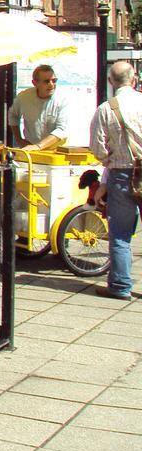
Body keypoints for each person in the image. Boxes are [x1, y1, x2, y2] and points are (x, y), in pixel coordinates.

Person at [89, 60, 142, 300]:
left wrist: (110, 160)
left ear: (111, 82)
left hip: (121, 173)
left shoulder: (105, 109)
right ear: (134, 80)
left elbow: (97, 148)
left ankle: (120, 286)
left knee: (120, 234)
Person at [6, 64, 70, 152]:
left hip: (57, 152)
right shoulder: (24, 97)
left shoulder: (62, 99)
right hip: (31, 150)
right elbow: (12, 115)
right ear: (35, 83)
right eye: (47, 81)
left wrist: (39, 146)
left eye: (54, 80)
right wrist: (19, 140)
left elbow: (61, 130)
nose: (51, 85)